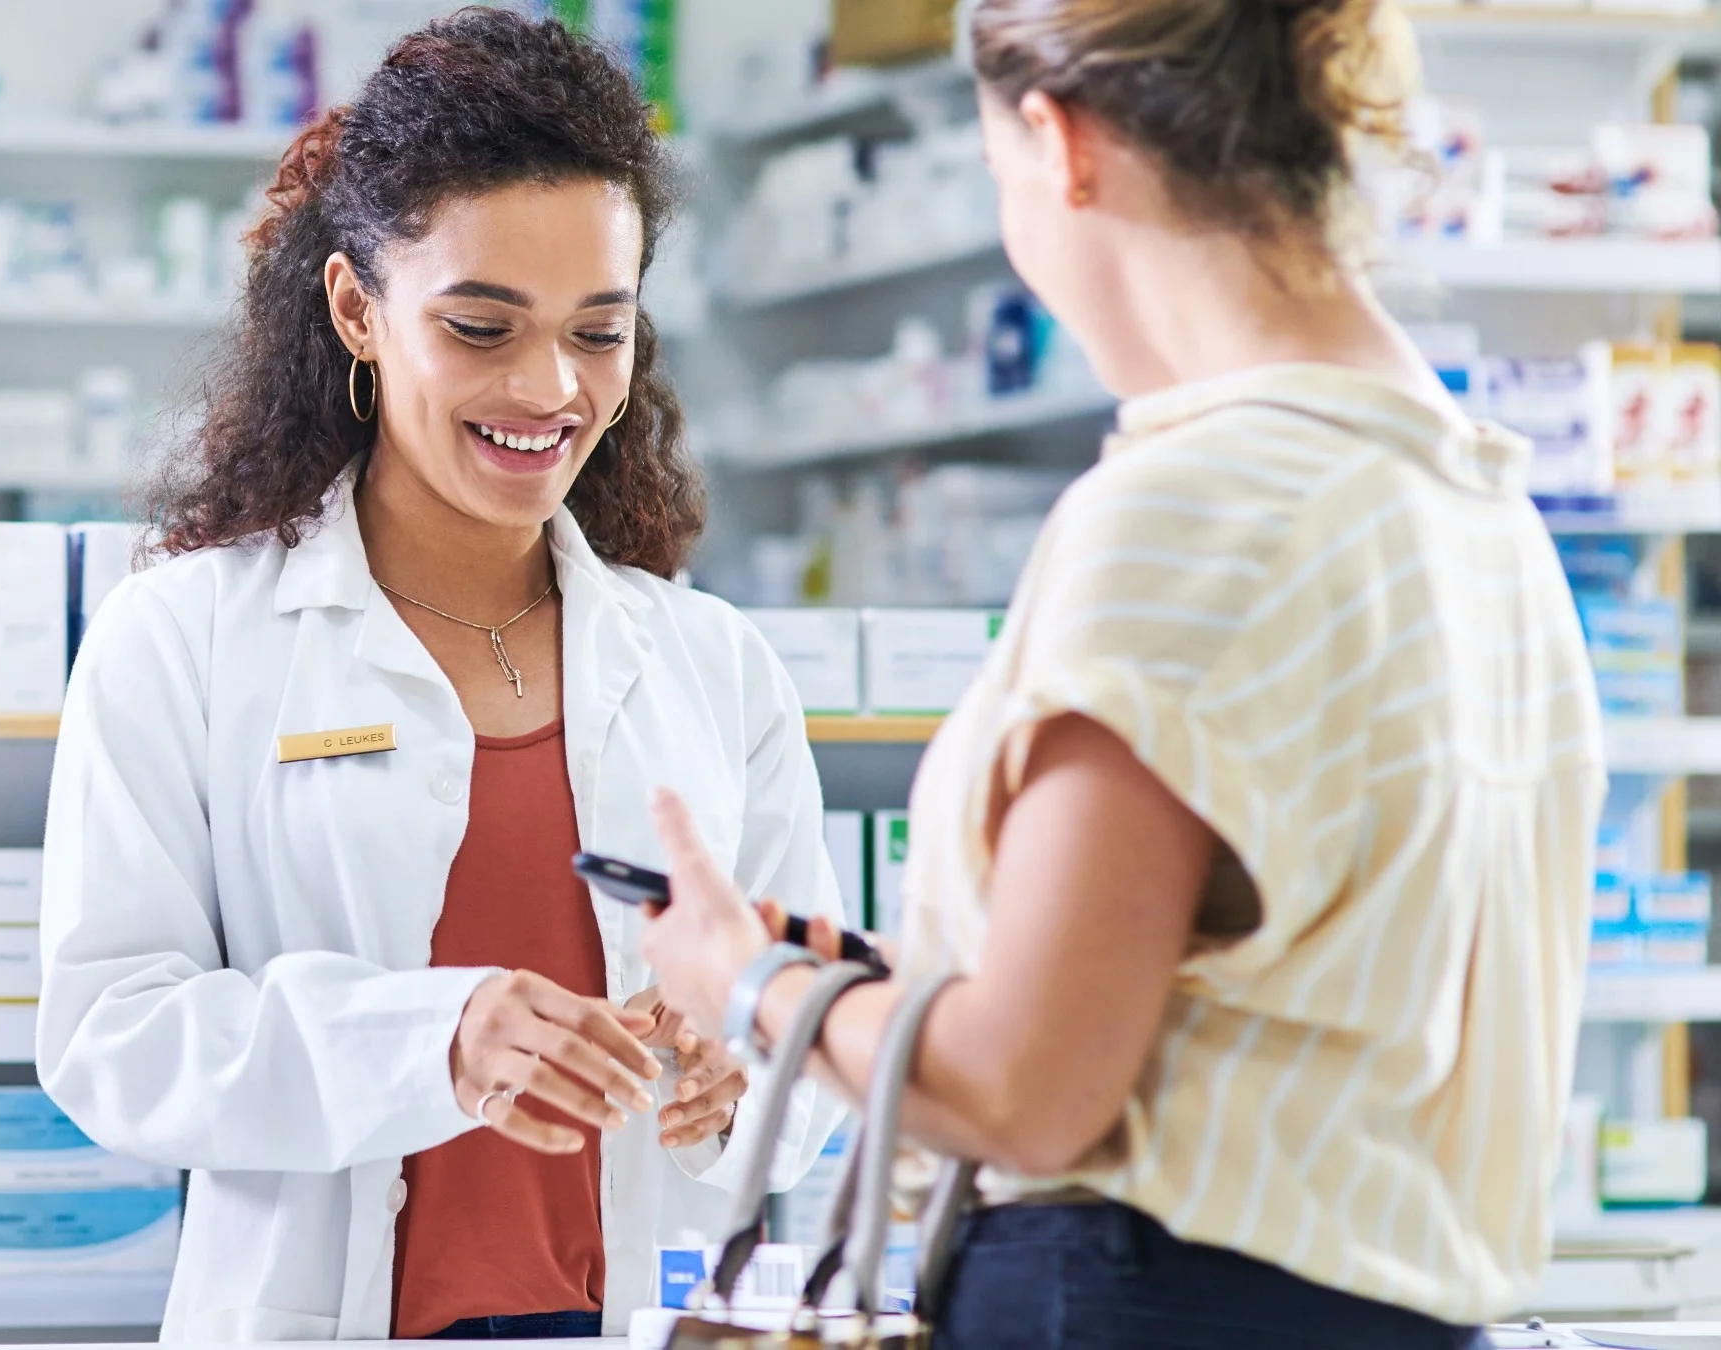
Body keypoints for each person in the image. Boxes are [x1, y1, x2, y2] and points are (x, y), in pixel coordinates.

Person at [641, 1, 1601, 1346]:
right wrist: (898, 972)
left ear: (1059, 141)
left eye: (998, 175)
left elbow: (1025, 1092)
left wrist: (745, 980)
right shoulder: (1475, 509)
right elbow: (1261, 1000)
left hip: (1142, 1302)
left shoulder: (1198, 506)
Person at [36, 10, 843, 1343]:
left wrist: (737, 1074)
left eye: (600, 331)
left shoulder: (713, 664)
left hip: (645, 1311)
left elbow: (809, 1005)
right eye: (481, 326)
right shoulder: (183, 639)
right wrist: (434, 1038)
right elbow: (113, 1033)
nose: (549, 387)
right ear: (359, 307)